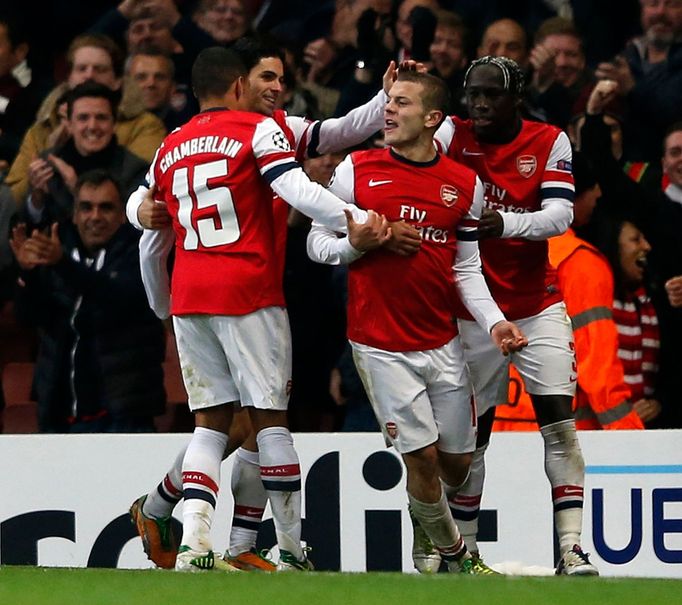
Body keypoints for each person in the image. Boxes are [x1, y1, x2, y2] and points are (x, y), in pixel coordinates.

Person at [127, 38, 397, 572]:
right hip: (251, 291)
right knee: (269, 423)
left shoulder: (170, 143)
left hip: (192, 294)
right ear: (238, 84)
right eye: (266, 78)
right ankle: (291, 550)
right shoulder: (260, 129)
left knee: (214, 424)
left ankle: (195, 545)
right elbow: (295, 186)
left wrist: (163, 304)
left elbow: (149, 235)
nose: (277, 89)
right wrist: (351, 216)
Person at [307, 70, 527, 575]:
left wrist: (494, 323)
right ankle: (457, 558)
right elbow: (316, 244)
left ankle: (425, 513)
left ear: (432, 119)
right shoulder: (356, 171)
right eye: (387, 102)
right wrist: (357, 245)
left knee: (457, 464)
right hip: (379, 342)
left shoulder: (463, 184)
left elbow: (466, 267)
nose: (388, 111)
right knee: (422, 459)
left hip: (442, 340)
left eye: (400, 103)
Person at [431, 56, 598, 576]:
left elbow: (561, 215)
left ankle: (571, 549)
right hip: (470, 312)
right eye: (472, 94)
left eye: (491, 95)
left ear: (516, 98)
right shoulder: (448, 134)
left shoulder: (549, 140)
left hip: (534, 304)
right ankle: (468, 552)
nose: (479, 104)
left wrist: (501, 222)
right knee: (470, 440)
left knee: (560, 425)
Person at [492, 152, 645, 431]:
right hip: (561, 437)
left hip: (492, 430)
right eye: (592, 187)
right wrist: (632, 439)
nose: (598, 193)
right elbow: (598, 370)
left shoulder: (490, 251)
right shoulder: (581, 264)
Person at [9, 169, 166, 432]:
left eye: (105, 208)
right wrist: (29, 273)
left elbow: (120, 299)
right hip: (60, 416)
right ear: (74, 214)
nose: (95, 217)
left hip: (124, 416)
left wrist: (63, 265)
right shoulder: (57, 249)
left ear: (121, 215)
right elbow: (28, 318)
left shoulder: (142, 253)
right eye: (86, 208)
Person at [579, 79, 682, 429]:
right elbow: (605, 172)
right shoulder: (655, 210)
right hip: (642, 408)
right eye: (674, 152)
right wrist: (593, 117)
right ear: (663, 163)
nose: (645, 246)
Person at [5, 33, 165, 206]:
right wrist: (52, 152)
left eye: (100, 69)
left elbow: (143, 189)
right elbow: (12, 200)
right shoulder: (42, 127)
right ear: (68, 78)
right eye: (81, 69)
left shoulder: (145, 126)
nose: (89, 75)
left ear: (118, 81)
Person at [23, 81, 149, 231]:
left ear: (114, 124)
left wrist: (77, 190)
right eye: (83, 118)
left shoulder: (134, 170)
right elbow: (29, 228)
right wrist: (36, 199)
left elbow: (129, 233)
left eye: (101, 118)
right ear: (69, 124)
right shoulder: (48, 165)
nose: (92, 126)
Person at [594, 0, 682, 162]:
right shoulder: (628, 55)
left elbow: (675, 117)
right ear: (642, 9)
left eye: (672, 4)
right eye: (653, 4)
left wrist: (633, 91)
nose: (660, 12)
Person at [126, 46, 196, 132]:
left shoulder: (188, 128)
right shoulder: (112, 127)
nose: (151, 83)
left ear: (173, 86)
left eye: (160, 77)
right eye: (141, 77)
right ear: (125, 84)